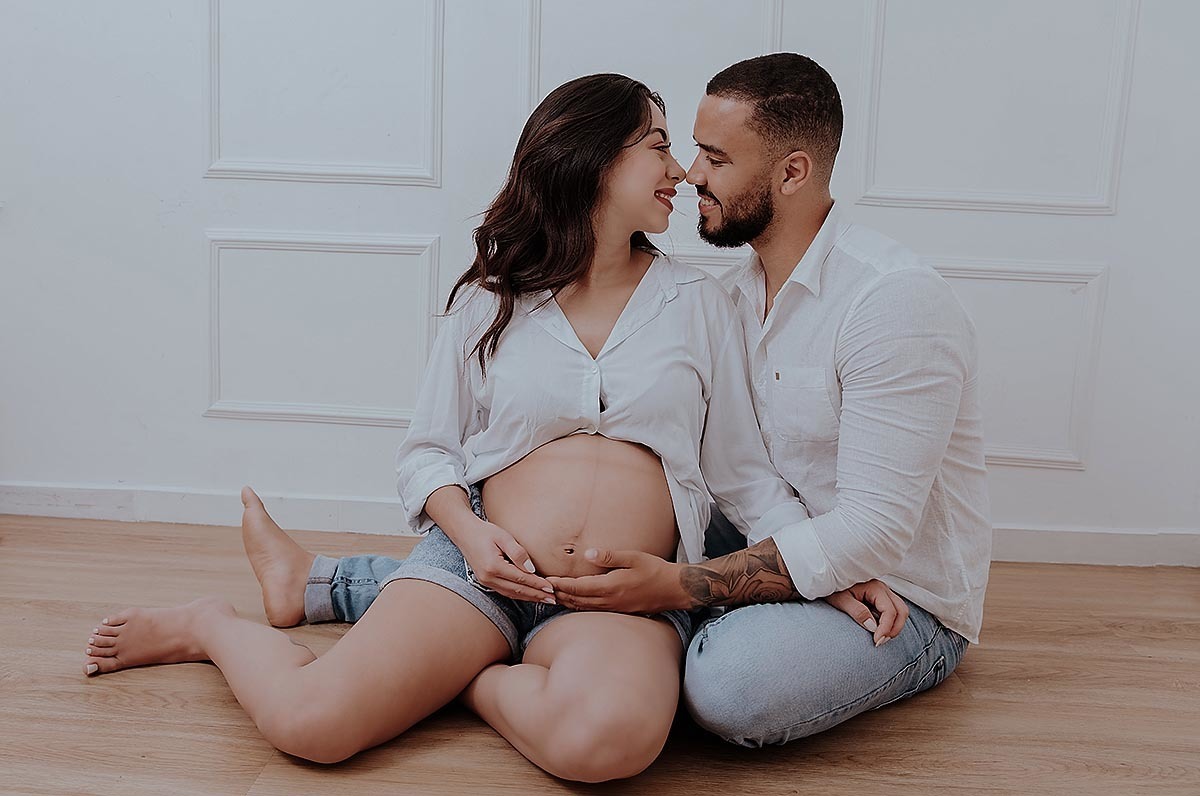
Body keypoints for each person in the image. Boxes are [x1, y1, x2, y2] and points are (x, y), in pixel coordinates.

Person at [80, 73, 903, 782]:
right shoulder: (493, 299)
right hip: (477, 572)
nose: (682, 171)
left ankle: (467, 675)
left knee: (607, 746)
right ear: (592, 156)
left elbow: (745, 476)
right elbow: (428, 454)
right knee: (311, 725)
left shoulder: (702, 302)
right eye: (657, 146)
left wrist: (822, 566)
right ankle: (211, 626)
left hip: (619, 598)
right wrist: (469, 537)